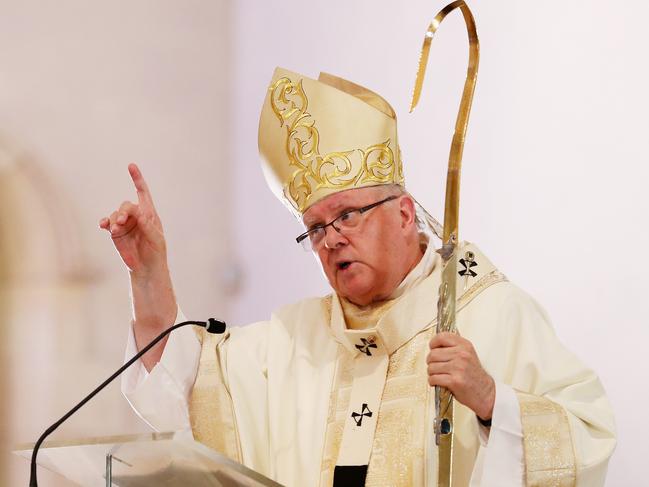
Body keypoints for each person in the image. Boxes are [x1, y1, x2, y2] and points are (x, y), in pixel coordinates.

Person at [100, 68, 616, 487]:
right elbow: (184, 383)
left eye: (348, 215)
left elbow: (589, 441)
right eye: (315, 228)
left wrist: (489, 402)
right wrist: (149, 273)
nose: (331, 239)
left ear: (405, 214)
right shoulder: (294, 339)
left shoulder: (489, 312)